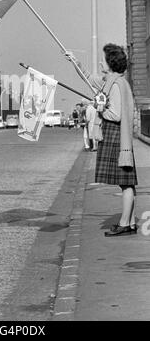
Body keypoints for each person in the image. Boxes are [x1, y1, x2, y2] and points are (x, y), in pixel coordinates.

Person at [66, 43, 138, 237]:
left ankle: (125, 224)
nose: (100, 62)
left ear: (110, 63)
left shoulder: (114, 84)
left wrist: (97, 107)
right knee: (126, 182)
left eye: (103, 59)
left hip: (116, 135)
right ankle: (129, 222)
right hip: (118, 136)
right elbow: (89, 78)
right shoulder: (112, 81)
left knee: (125, 182)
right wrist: (75, 61)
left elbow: (115, 114)